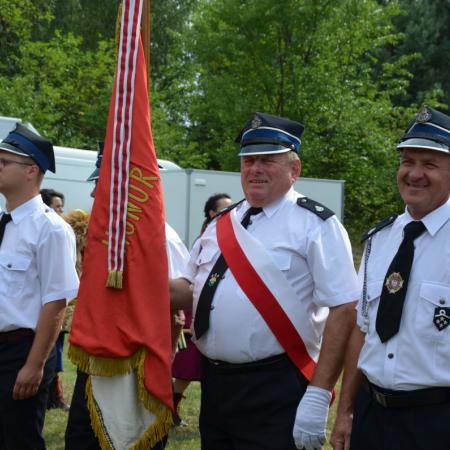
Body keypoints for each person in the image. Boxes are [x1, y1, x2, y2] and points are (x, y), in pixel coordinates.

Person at [170, 112, 360, 450]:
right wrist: (133, 281)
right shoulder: (221, 224)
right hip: (216, 384)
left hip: (277, 385)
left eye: (268, 160)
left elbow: (344, 308)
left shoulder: (316, 225)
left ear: (294, 169)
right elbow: (188, 291)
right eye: (248, 160)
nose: (255, 168)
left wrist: (317, 394)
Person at [330, 106, 450, 450]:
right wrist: (346, 413)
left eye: (429, 165)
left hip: (436, 422)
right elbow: (362, 330)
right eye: (407, 162)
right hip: (372, 416)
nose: (414, 174)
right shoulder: (379, 239)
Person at [65, 145, 189, 450]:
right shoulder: (102, 236)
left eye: (102, 185)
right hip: (96, 362)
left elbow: (176, 310)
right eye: (97, 185)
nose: (95, 194)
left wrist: (164, 362)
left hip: (138, 369)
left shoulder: (161, 238)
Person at [0, 123, 79, 449]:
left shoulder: (51, 230)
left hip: (21, 350)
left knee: (19, 441)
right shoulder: (4, 220)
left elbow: (55, 303)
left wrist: (34, 366)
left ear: (31, 170)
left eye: (4, 162)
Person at [172, 192, 233, 426]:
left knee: (197, 366)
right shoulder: (208, 235)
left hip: (216, 312)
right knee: (188, 365)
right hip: (197, 307)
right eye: (224, 208)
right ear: (211, 213)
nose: (230, 211)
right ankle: (170, 406)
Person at [40, 187, 71, 411]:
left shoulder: (63, 231)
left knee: (56, 348)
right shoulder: (49, 230)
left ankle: (54, 392)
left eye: (61, 207)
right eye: (56, 207)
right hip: (43, 313)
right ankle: (54, 392)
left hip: (62, 308)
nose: (61, 211)